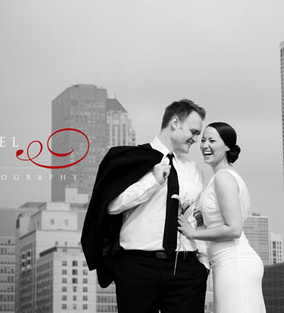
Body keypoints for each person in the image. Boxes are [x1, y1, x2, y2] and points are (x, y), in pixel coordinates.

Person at [81, 99, 209, 313]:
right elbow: (112, 206)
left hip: (185, 268)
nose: (196, 140)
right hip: (137, 267)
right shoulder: (132, 159)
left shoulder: (194, 170)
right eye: (194, 132)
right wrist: (153, 182)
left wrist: (203, 264)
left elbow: (198, 217)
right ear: (175, 123)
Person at [179, 122, 266, 313]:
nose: (205, 146)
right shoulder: (225, 176)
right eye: (203, 140)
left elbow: (234, 229)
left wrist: (192, 233)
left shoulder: (223, 178)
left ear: (227, 146)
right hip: (227, 263)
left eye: (212, 140)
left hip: (234, 263)